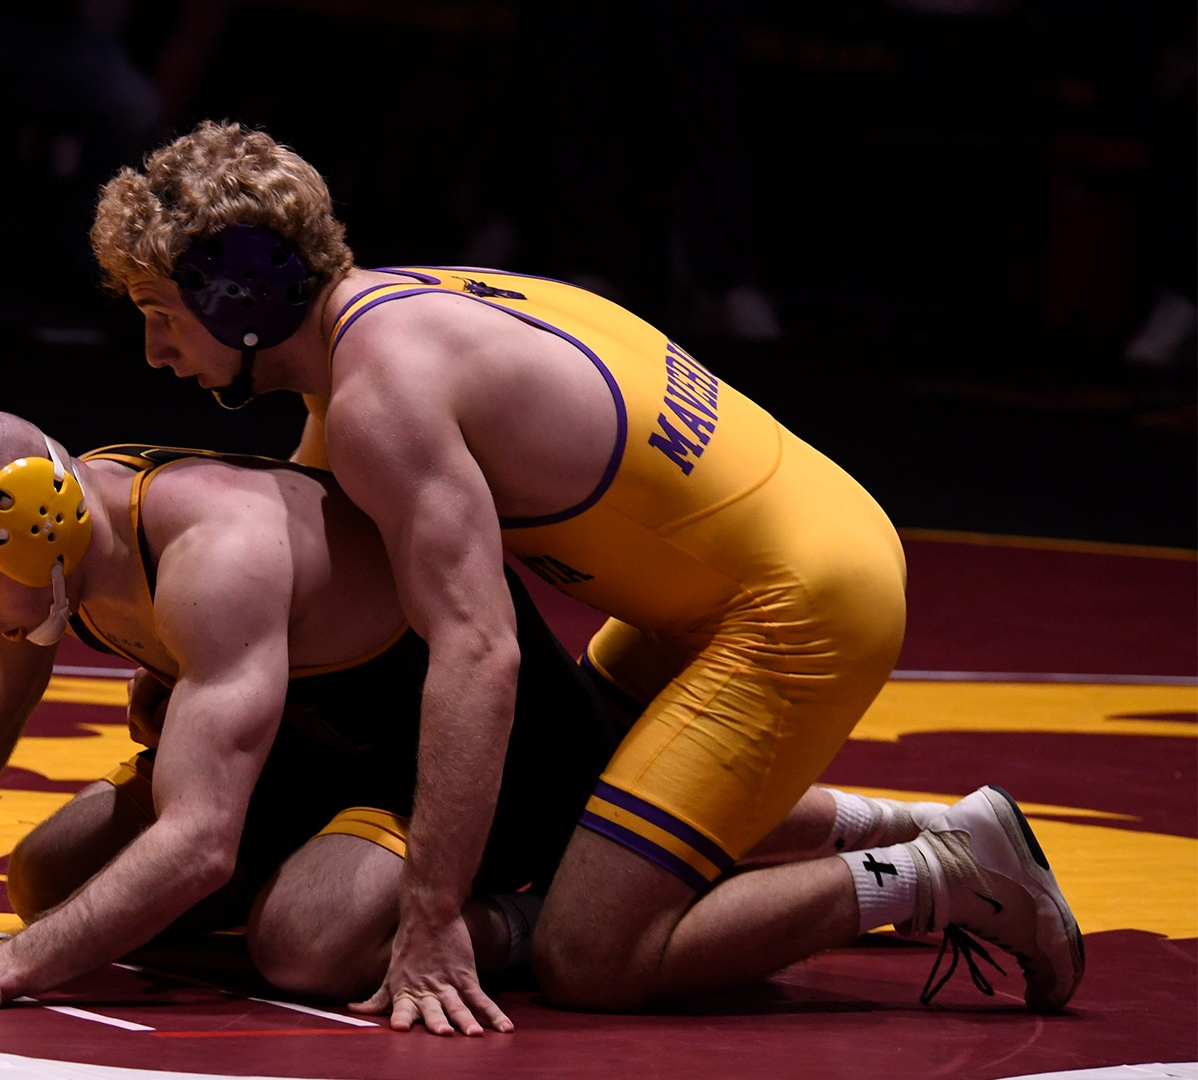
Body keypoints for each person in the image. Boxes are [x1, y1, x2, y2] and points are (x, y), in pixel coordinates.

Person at [87, 120, 1085, 1034]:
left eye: (161, 311)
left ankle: (935, 876)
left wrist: (432, 919)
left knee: (593, 955)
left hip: (797, 607)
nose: (153, 346)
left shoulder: (382, 397)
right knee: (576, 805)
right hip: (759, 557)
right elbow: (319, 568)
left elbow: (480, 652)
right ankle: (927, 824)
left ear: (242, 299)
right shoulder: (389, 317)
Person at [0, 409, 625, 1016]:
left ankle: (538, 916)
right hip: (326, 744)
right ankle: (340, 876)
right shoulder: (46, 557)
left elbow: (198, 845)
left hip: (484, 750)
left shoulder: (210, 557)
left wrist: (2, 975)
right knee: (48, 879)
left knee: (303, 948)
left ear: (25, 523)